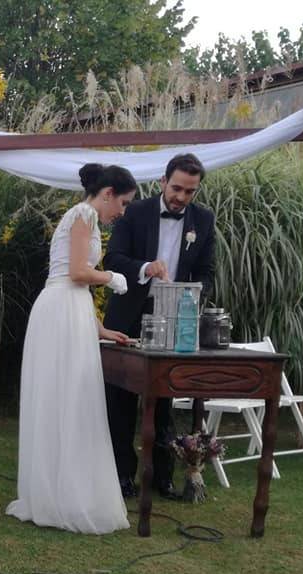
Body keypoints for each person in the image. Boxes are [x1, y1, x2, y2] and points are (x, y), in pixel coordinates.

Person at [6, 164, 136, 535]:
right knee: (64, 398)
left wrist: (101, 329)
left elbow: (73, 279)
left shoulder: (85, 218)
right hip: (61, 310)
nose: (122, 212)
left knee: (70, 399)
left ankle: (63, 489)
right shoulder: (84, 214)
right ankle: (59, 495)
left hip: (69, 309)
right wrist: (112, 277)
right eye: (123, 203)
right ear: (107, 192)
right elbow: (78, 273)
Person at [102, 153, 216, 500]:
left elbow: (207, 271)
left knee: (165, 399)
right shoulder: (134, 212)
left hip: (172, 317)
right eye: (177, 188)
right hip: (128, 315)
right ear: (163, 181)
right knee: (119, 401)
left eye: (190, 192)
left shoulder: (204, 220)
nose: (181, 197)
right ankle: (121, 476)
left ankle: (161, 477)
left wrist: (190, 298)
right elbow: (114, 259)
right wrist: (146, 267)